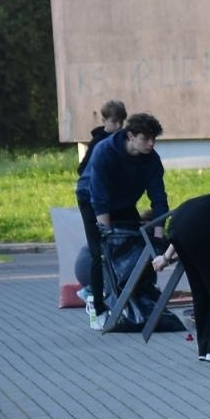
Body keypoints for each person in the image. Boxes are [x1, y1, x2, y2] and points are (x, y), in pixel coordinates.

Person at [77, 112, 169, 324]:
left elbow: (159, 199)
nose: (151, 144)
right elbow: (99, 197)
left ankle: (137, 301)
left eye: (154, 139)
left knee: (137, 245)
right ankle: (97, 306)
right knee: (100, 253)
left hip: (125, 202)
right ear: (130, 136)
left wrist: (157, 237)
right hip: (91, 200)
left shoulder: (152, 160)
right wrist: (106, 233)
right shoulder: (105, 151)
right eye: (145, 139)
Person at [153, 186, 210, 361]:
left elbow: (185, 228)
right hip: (202, 230)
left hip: (180, 223)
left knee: (202, 292)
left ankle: (206, 347)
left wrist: (166, 256)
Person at [75, 99, 126, 322]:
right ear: (104, 120)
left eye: (121, 121)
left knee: (118, 246)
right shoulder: (99, 143)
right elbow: (84, 169)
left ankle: (120, 294)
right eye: (114, 122)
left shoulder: (123, 140)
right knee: (99, 251)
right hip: (92, 197)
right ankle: (95, 301)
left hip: (112, 198)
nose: (118, 126)